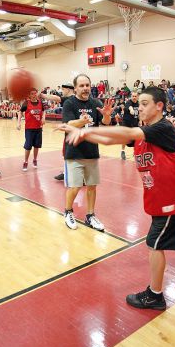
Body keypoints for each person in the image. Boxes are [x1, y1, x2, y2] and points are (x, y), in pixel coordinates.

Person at [60, 86, 175, 309]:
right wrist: (88, 133)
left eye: (144, 103)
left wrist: (84, 132)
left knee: (154, 244)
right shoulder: (147, 130)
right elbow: (115, 139)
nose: (138, 107)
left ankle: (155, 295)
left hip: (173, 198)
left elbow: (129, 134)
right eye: (138, 103)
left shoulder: (164, 128)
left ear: (159, 106)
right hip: (161, 198)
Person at [61, 74, 112, 231]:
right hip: (74, 152)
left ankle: (90, 215)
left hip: (91, 151)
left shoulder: (95, 102)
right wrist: (82, 121)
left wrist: (106, 115)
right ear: (75, 88)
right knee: (75, 187)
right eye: (81, 86)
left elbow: (104, 125)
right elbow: (68, 124)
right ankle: (68, 212)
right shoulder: (69, 103)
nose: (85, 88)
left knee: (91, 186)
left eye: (87, 85)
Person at [17, 88, 60, 171]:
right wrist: (18, 123)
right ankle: (25, 162)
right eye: (32, 94)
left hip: (38, 128)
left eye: (35, 93)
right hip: (29, 129)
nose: (34, 95)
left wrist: (44, 118)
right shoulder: (26, 103)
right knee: (28, 146)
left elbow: (43, 111)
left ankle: (35, 160)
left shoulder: (40, 103)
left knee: (37, 146)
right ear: (29, 95)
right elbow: (20, 112)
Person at [54, 83, 75, 181]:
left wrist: (42, 95)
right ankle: (66, 172)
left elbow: (56, 98)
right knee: (67, 153)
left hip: (72, 132)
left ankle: (72, 174)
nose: (62, 92)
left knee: (70, 154)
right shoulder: (73, 100)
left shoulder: (70, 99)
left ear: (68, 89)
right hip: (71, 130)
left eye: (63, 90)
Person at [117, 91, 139, 160]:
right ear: (131, 97)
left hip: (134, 123)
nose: (134, 97)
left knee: (136, 138)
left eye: (135, 96)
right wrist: (131, 110)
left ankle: (135, 152)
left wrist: (140, 121)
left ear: (137, 97)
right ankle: (122, 151)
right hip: (127, 122)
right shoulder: (128, 102)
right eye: (133, 96)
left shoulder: (138, 103)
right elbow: (129, 107)